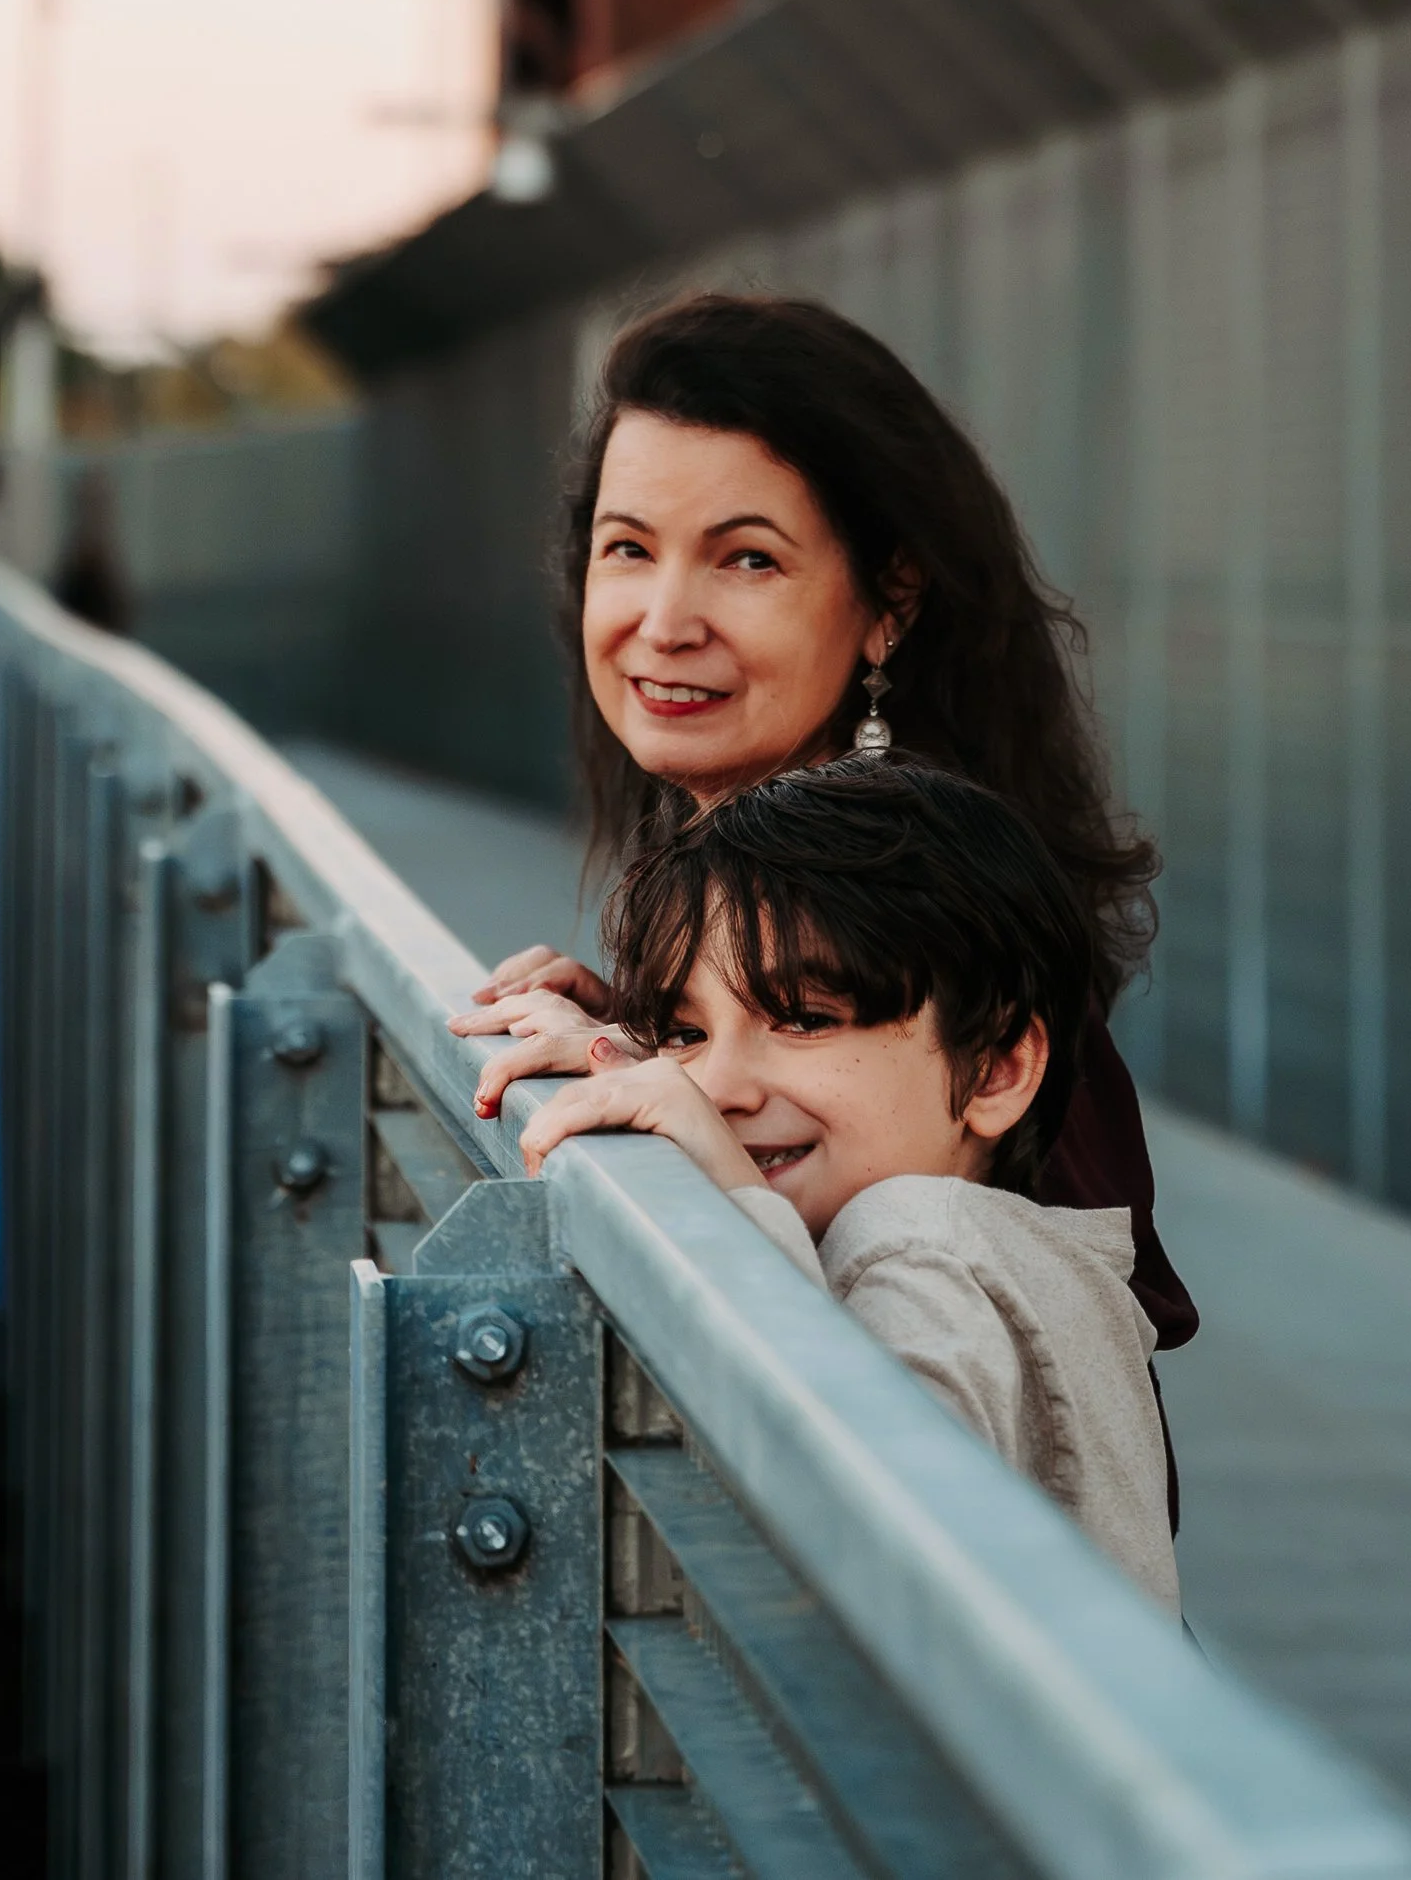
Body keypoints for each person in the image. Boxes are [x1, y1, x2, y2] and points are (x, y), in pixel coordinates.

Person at [449, 295, 1196, 1478]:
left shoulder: (953, 940)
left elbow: (957, 1455)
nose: (664, 618)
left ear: (887, 604)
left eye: (746, 558)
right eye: (629, 548)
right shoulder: (726, 889)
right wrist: (637, 1042)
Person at [514, 755, 1180, 1614]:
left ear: (996, 1071)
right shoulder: (1005, 1251)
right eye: (683, 1031)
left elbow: (850, 1547)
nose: (715, 1089)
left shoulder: (925, 1247)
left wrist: (734, 1202)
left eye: (803, 1019)